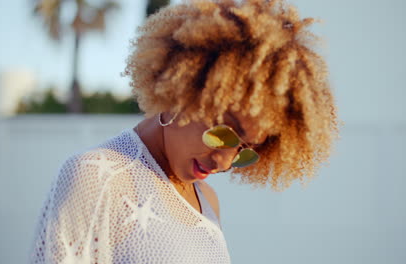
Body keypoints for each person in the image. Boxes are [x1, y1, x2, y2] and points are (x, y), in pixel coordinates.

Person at [29, 0, 342, 263]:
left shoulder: (208, 201)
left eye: (244, 150)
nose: (223, 162)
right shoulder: (96, 177)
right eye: (226, 133)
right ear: (187, 90)